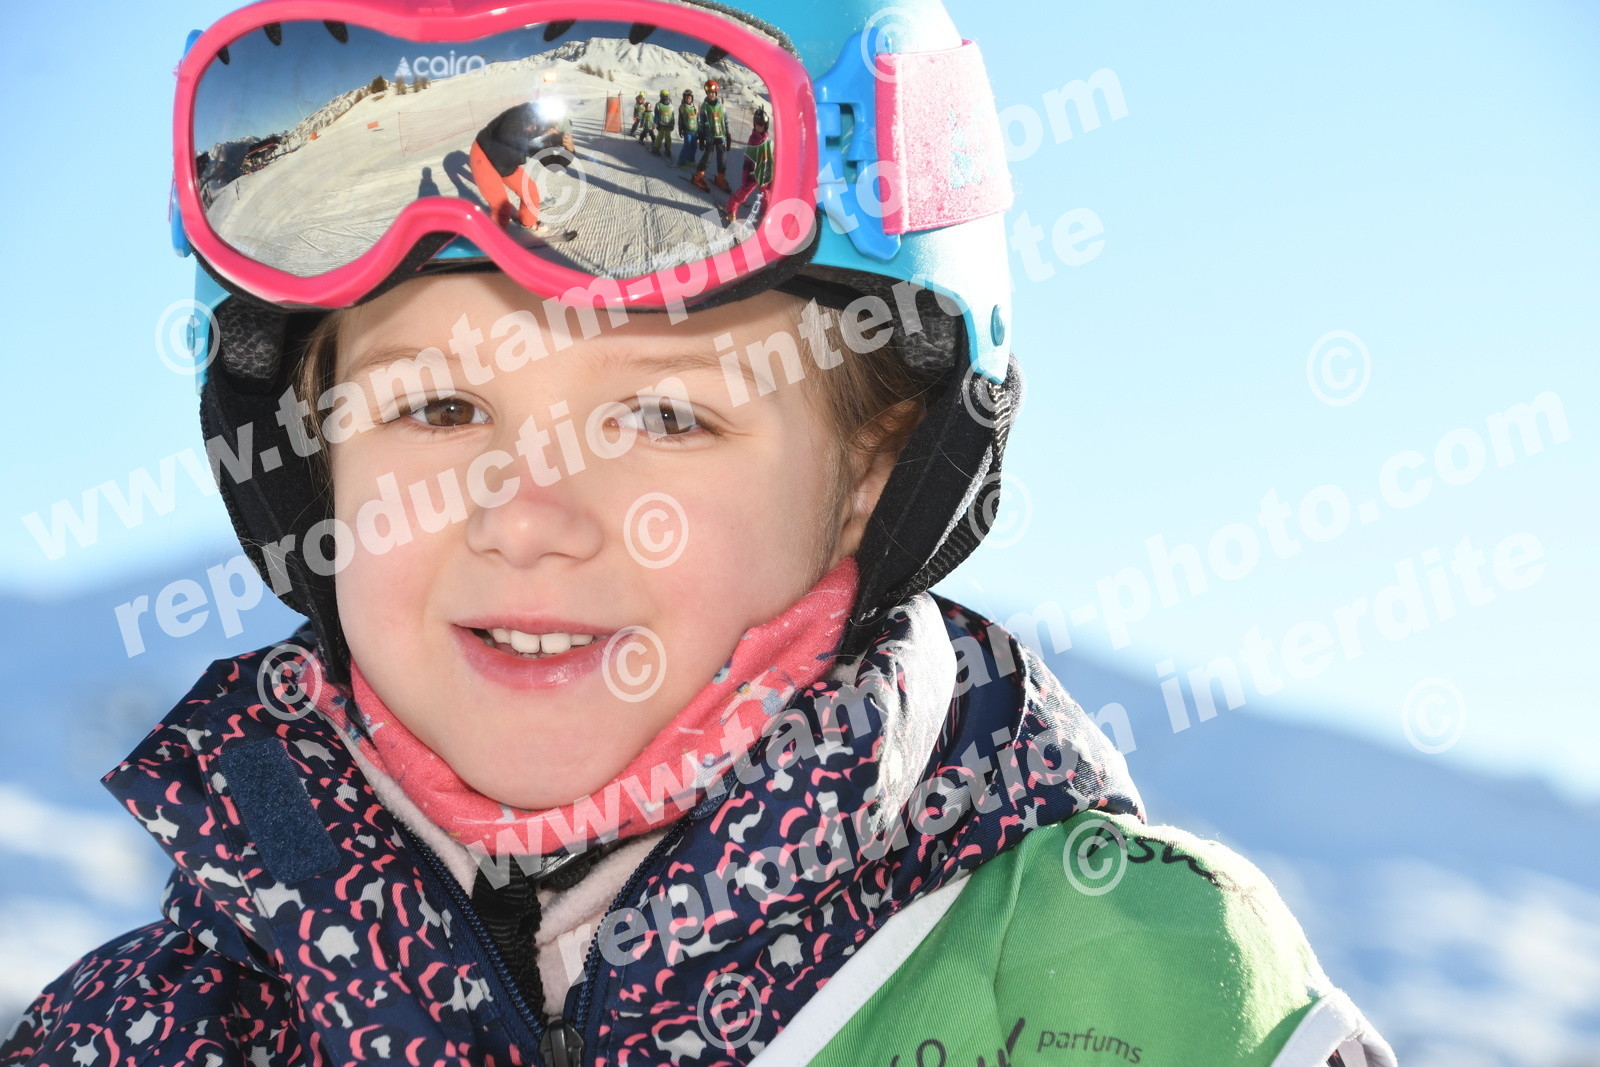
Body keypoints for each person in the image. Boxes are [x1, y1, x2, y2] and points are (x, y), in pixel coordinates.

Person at [2, 2, 1394, 1066]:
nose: (526, 514)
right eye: (438, 406)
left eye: (663, 418)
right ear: (309, 464)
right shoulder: (141, 1029)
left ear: (874, 473)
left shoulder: (1134, 992)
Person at [469, 99, 572, 233]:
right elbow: (505, 134)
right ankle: (492, 239)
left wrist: (569, 149)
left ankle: (528, 221)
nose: (554, 128)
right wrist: (540, 132)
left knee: (530, 191)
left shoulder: (543, 133)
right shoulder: (523, 112)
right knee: (502, 209)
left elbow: (553, 164)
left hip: (506, 162)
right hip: (484, 156)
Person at [722, 106, 772, 227]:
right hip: (752, 172)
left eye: (761, 124)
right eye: (757, 124)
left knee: (766, 194)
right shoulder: (753, 139)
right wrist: (747, 173)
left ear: (765, 125)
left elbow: (770, 157)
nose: (759, 126)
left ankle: (765, 212)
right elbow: (748, 158)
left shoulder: (768, 140)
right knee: (744, 192)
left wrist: (771, 173)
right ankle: (730, 208)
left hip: (763, 173)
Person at [690, 77, 732, 193]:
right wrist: (701, 137)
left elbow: (726, 121)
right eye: (709, 93)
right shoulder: (705, 106)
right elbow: (701, 123)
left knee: (722, 158)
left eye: (713, 93)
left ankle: (720, 178)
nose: (711, 95)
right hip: (710, 137)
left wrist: (728, 135)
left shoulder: (721, 106)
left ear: (716, 93)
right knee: (708, 156)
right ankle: (698, 176)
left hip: (721, 136)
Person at [675, 87, 700, 169]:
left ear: (692, 98)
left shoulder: (694, 107)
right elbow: (680, 120)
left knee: (694, 147)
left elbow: (697, 119)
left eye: (689, 98)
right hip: (687, 131)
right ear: (684, 98)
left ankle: (691, 159)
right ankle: (681, 162)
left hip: (695, 131)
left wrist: (699, 129)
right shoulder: (683, 107)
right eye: (686, 98)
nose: (688, 99)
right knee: (687, 146)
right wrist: (680, 130)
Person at [651, 88, 675, 157]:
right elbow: (656, 115)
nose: (665, 97)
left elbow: (672, 116)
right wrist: (656, 123)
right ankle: (656, 148)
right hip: (661, 124)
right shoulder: (658, 105)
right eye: (663, 96)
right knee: (660, 137)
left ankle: (667, 149)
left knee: (668, 138)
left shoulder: (671, 106)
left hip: (668, 125)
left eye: (666, 96)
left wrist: (672, 124)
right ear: (661, 96)